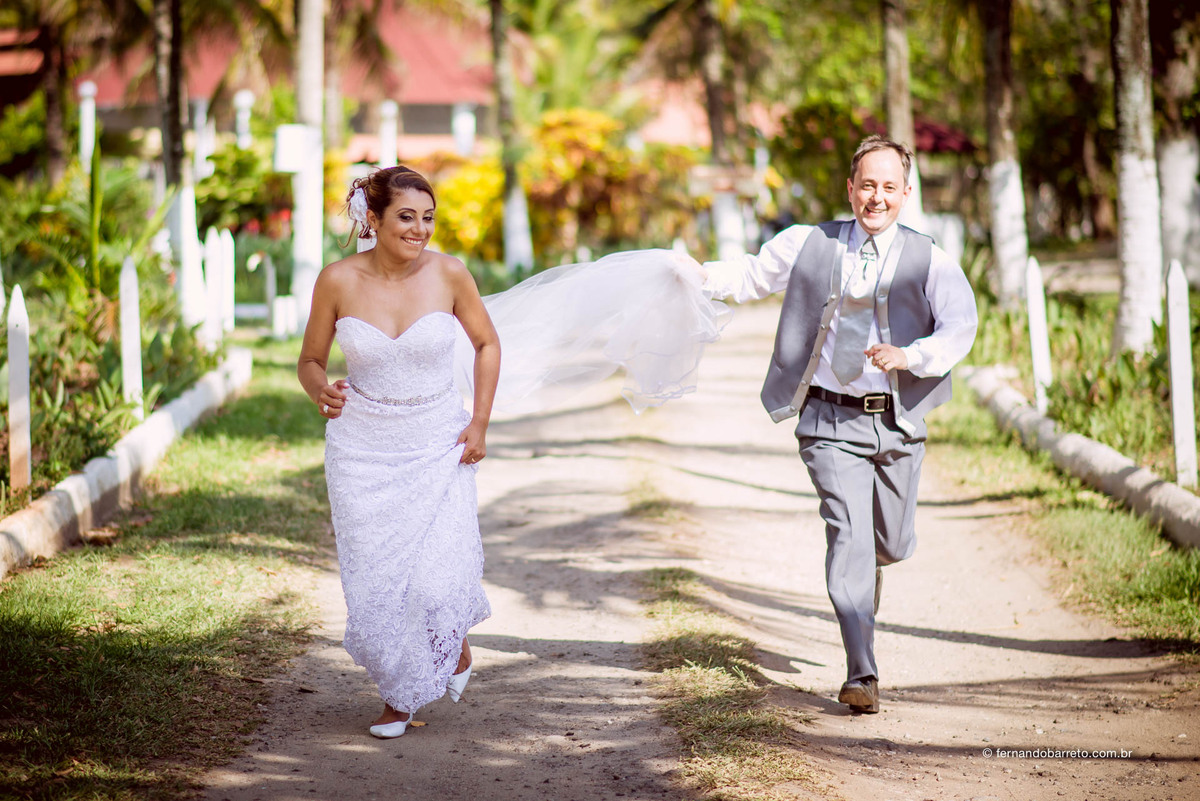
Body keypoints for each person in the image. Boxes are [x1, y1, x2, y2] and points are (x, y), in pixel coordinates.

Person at [689, 135, 978, 713]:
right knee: (849, 535)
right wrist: (688, 276)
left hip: (896, 423)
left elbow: (959, 327)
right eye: (867, 185)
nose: (877, 198)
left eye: (889, 187)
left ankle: (869, 577)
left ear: (906, 193)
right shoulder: (809, 243)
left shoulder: (930, 258)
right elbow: (748, 277)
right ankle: (861, 673)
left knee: (887, 545)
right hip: (827, 419)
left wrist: (911, 357)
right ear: (850, 189)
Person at [297, 166, 500, 739]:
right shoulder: (336, 281)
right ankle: (397, 696)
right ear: (374, 219)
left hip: (438, 441)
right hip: (361, 449)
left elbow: (487, 344)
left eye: (428, 218)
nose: (420, 230)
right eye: (406, 217)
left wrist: (479, 420)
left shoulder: (450, 275)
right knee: (377, 582)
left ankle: (447, 651)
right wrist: (322, 391)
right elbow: (309, 361)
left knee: (435, 579)